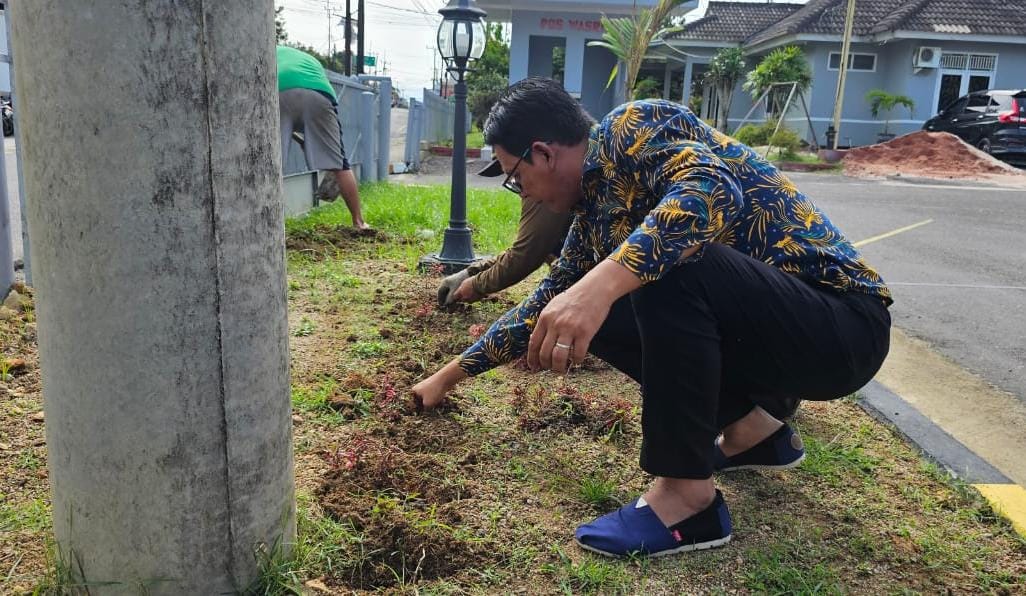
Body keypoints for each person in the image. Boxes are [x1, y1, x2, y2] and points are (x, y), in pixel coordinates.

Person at [412, 78, 891, 558]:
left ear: (543, 153)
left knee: (664, 264)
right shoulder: (596, 216)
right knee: (592, 301)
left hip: (844, 329)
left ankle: (687, 500)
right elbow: (544, 304)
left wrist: (598, 288)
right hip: (782, 344)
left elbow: (714, 191)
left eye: (515, 176)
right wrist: (445, 379)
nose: (521, 191)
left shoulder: (631, 126)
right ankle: (755, 433)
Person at [277, 45, 369, 230]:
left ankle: (272, 226)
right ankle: (359, 222)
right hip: (318, 93)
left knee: (271, 165)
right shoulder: (307, 59)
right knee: (340, 163)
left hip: (278, 91)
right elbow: (303, 102)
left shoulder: (264, 48)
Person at [436, 192, 572, 306]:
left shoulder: (544, 191)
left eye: (517, 174)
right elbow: (526, 249)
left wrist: (476, 285)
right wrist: (469, 274)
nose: (521, 190)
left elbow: (524, 255)